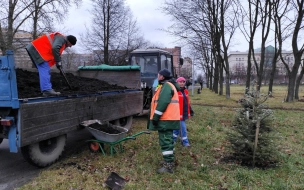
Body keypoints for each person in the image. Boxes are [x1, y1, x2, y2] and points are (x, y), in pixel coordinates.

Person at [147, 68, 180, 174]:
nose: (157, 76)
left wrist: (156, 117)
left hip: (166, 119)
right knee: (168, 141)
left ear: (162, 76)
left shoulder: (167, 86)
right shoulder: (167, 85)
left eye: (159, 75)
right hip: (169, 119)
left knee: (165, 141)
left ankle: (168, 166)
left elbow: (163, 103)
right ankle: (169, 161)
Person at [26, 32, 77, 97]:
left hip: (35, 50)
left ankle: (45, 90)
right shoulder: (62, 38)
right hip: (38, 51)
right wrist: (58, 61)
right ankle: (47, 90)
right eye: (71, 45)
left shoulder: (60, 40)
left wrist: (59, 65)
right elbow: (55, 48)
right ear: (69, 41)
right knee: (45, 69)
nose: (70, 46)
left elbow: (55, 53)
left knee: (44, 69)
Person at [173, 77, 194, 147]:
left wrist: (190, 110)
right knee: (183, 128)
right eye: (180, 82)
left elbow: (187, 102)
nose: (182, 83)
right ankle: (185, 142)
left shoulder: (185, 91)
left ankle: (172, 140)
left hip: (184, 113)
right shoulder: (175, 91)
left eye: (183, 82)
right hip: (178, 114)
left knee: (177, 129)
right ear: (177, 82)